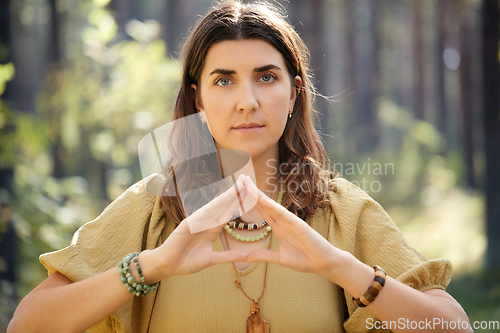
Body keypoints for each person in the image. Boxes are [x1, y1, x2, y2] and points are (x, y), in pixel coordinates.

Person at [8, 1, 472, 332]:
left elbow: (453, 328)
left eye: (266, 77)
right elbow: (28, 325)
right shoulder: (153, 207)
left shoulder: (341, 210)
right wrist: (153, 266)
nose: (247, 102)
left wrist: (340, 266)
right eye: (224, 80)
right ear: (199, 100)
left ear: (293, 94)